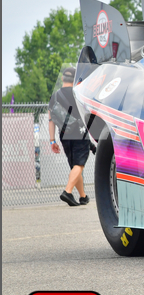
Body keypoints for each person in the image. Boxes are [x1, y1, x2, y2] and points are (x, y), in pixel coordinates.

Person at [49, 67, 94, 206]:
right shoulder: (79, 93)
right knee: (79, 165)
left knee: (75, 166)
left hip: (64, 135)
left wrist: (52, 141)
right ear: (75, 79)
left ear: (62, 78)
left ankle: (83, 196)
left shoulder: (54, 96)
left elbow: (51, 120)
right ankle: (67, 192)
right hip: (79, 133)